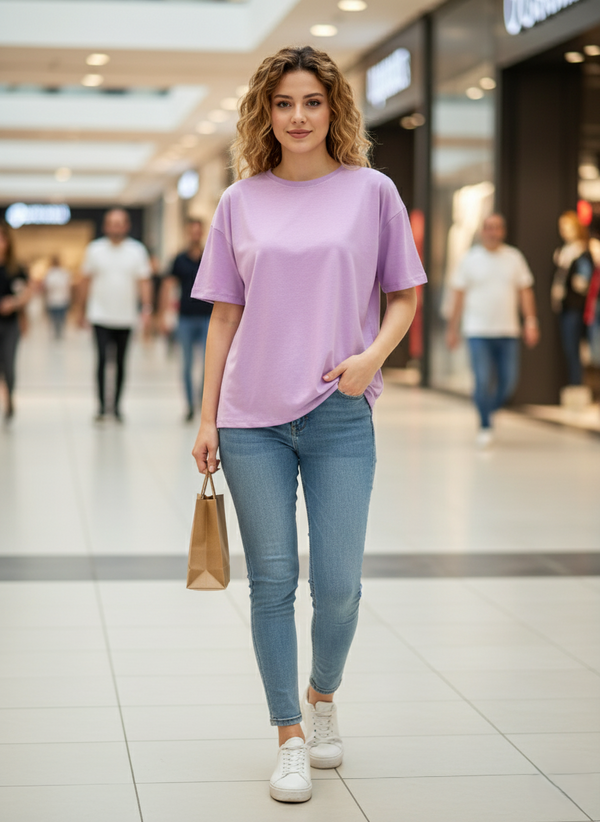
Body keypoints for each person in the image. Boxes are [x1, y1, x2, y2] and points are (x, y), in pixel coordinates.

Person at [190, 45, 427, 804]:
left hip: (340, 413)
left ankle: (324, 697)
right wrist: (206, 419)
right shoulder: (240, 201)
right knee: (271, 585)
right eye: (284, 103)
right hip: (251, 419)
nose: (297, 117)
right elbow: (224, 320)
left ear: (334, 110)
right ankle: (289, 733)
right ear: (266, 111)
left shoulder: (372, 192)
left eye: (312, 102)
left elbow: (405, 295)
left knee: (341, 586)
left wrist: (371, 359)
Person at [446, 213, 539, 446]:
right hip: (477, 331)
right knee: (483, 379)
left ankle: (489, 408)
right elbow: (458, 296)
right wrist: (452, 328)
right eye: (488, 227)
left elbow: (525, 292)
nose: (493, 232)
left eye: (497, 227)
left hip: (508, 331)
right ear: (482, 231)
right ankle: (485, 424)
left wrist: (531, 321)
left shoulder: (514, 258)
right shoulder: (469, 259)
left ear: (503, 231)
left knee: (508, 382)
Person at [79, 209, 152, 422]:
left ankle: (117, 406)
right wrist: (80, 310)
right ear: (105, 226)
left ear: (126, 226)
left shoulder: (137, 251)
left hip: (126, 317)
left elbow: (144, 281)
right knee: (102, 360)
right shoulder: (95, 250)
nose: (116, 226)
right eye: (112, 223)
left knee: (121, 362)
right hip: (99, 315)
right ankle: (102, 407)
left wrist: (146, 308)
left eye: (120, 223)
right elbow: (85, 281)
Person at [160, 218, 212, 421]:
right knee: (187, 364)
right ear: (187, 233)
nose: (195, 235)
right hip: (185, 318)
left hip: (209, 317)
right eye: (191, 231)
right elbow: (168, 285)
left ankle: (203, 405)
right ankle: (190, 405)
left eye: (198, 231)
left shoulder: (211, 255)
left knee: (209, 365)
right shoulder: (179, 259)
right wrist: (163, 314)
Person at [552, 211, 593, 385]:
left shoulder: (581, 252)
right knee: (569, 349)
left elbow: (582, 283)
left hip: (575, 307)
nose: (565, 231)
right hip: (565, 306)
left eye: (568, 227)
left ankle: (577, 387)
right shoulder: (564, 252)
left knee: (574, 349)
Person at [0, 222, 32, 422]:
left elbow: (26, 292)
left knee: (8, 365)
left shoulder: (15, 268)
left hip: (10, 324)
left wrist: (14, 302)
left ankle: (9, 397)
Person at [44, 255, 72, 339]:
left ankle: (58, 332)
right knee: (58, 318)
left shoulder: (53, 273)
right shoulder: (61, 273)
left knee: (57, 318)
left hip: (57, 299)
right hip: (58, 299)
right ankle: (58, 332)